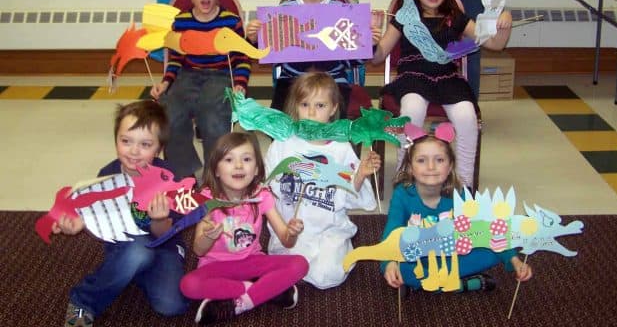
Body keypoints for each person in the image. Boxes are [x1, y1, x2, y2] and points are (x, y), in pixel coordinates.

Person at [371, 0, 511, 188]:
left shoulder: (455, 18)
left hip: (448, 79)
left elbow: (494, 44)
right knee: (411, 111)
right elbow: (379, 56)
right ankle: (405, 180)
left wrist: (505, 22)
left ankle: (464, 185)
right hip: (412, 78)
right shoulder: (405, 19)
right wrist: (371, 40)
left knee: (467, 116)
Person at [53, 100, 189, 327]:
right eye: (126, 141)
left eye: (145, 144)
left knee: (171, 305)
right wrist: (79, 223)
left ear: (159, 148)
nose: (134, 151)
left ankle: (128, 273)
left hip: (165, 247)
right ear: (116, 140)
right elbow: (98, 216)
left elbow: (165, 233)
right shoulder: (108, 175)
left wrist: (159, 219)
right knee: (138, 252)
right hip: (127, 245)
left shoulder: (170, 178)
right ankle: (84, 301)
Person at [264, 72, 382, 289]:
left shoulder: (341, 147)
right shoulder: (283, 144)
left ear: (333, 108)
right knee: (293, 264)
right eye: (304, 104)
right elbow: (271, 190)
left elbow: (349, 195)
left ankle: (335, 251)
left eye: (320, 106)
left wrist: (361, 174)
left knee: (329, 276)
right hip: (293, 226)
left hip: (329, 228)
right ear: (295, 106)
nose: (311, 112)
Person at [382, 125, 533, 294]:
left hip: (453, 256)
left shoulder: (460, 194)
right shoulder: (402, 194)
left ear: (450, 166)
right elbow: (392, 230)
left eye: (439, 160)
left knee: (492, 252)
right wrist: (389, 263)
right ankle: (462, 285)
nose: (431, 167)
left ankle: (430, 284)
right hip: (418, 258)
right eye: (421, 160)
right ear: (410, 167)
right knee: (404, 269)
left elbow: (488, 230)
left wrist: (514, 260)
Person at [179, 132, 309, 325]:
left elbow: (285, 240)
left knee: (301, 264)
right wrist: (208, 236)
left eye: (246, 159)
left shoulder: (262, 195)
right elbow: (199, 250)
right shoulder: (207, 198)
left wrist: (291, 233)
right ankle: (263, 290)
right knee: (188, 285)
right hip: (215, 267)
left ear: (256, 169)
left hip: (253, 262)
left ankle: (240, 302)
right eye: (229, 159)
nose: (239, 165)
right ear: (216, 170)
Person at [246, 0, 381, 116]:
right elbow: (268, 53)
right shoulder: (283, 12)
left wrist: (369, 43)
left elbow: (355, 61)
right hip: (291, 81)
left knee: (335, 132)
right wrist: (255, 39)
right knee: (279, 131)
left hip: (333, 82)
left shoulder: (344, 13)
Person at [150, 0, 251, 180]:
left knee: (213, 114)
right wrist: (166, 82)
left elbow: (241, 57)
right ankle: (183, 172)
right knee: (170, 112)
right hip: (188, 75)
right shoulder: (181, 22)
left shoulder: (230, 21)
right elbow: (175, 58)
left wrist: (240, 84)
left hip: (222, 75)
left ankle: (214, 174)